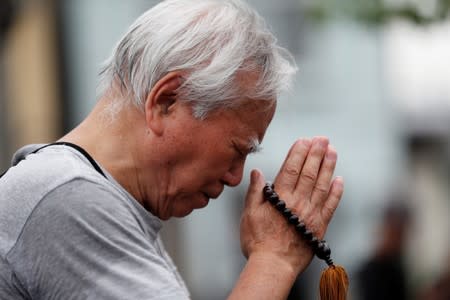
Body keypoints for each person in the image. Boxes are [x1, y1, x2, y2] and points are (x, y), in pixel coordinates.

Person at [0, 0, 344, 299]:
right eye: (237, 149)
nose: (235, 177)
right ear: (166, 101)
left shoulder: (74, 193)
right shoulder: (67, 198)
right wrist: (274, 259)